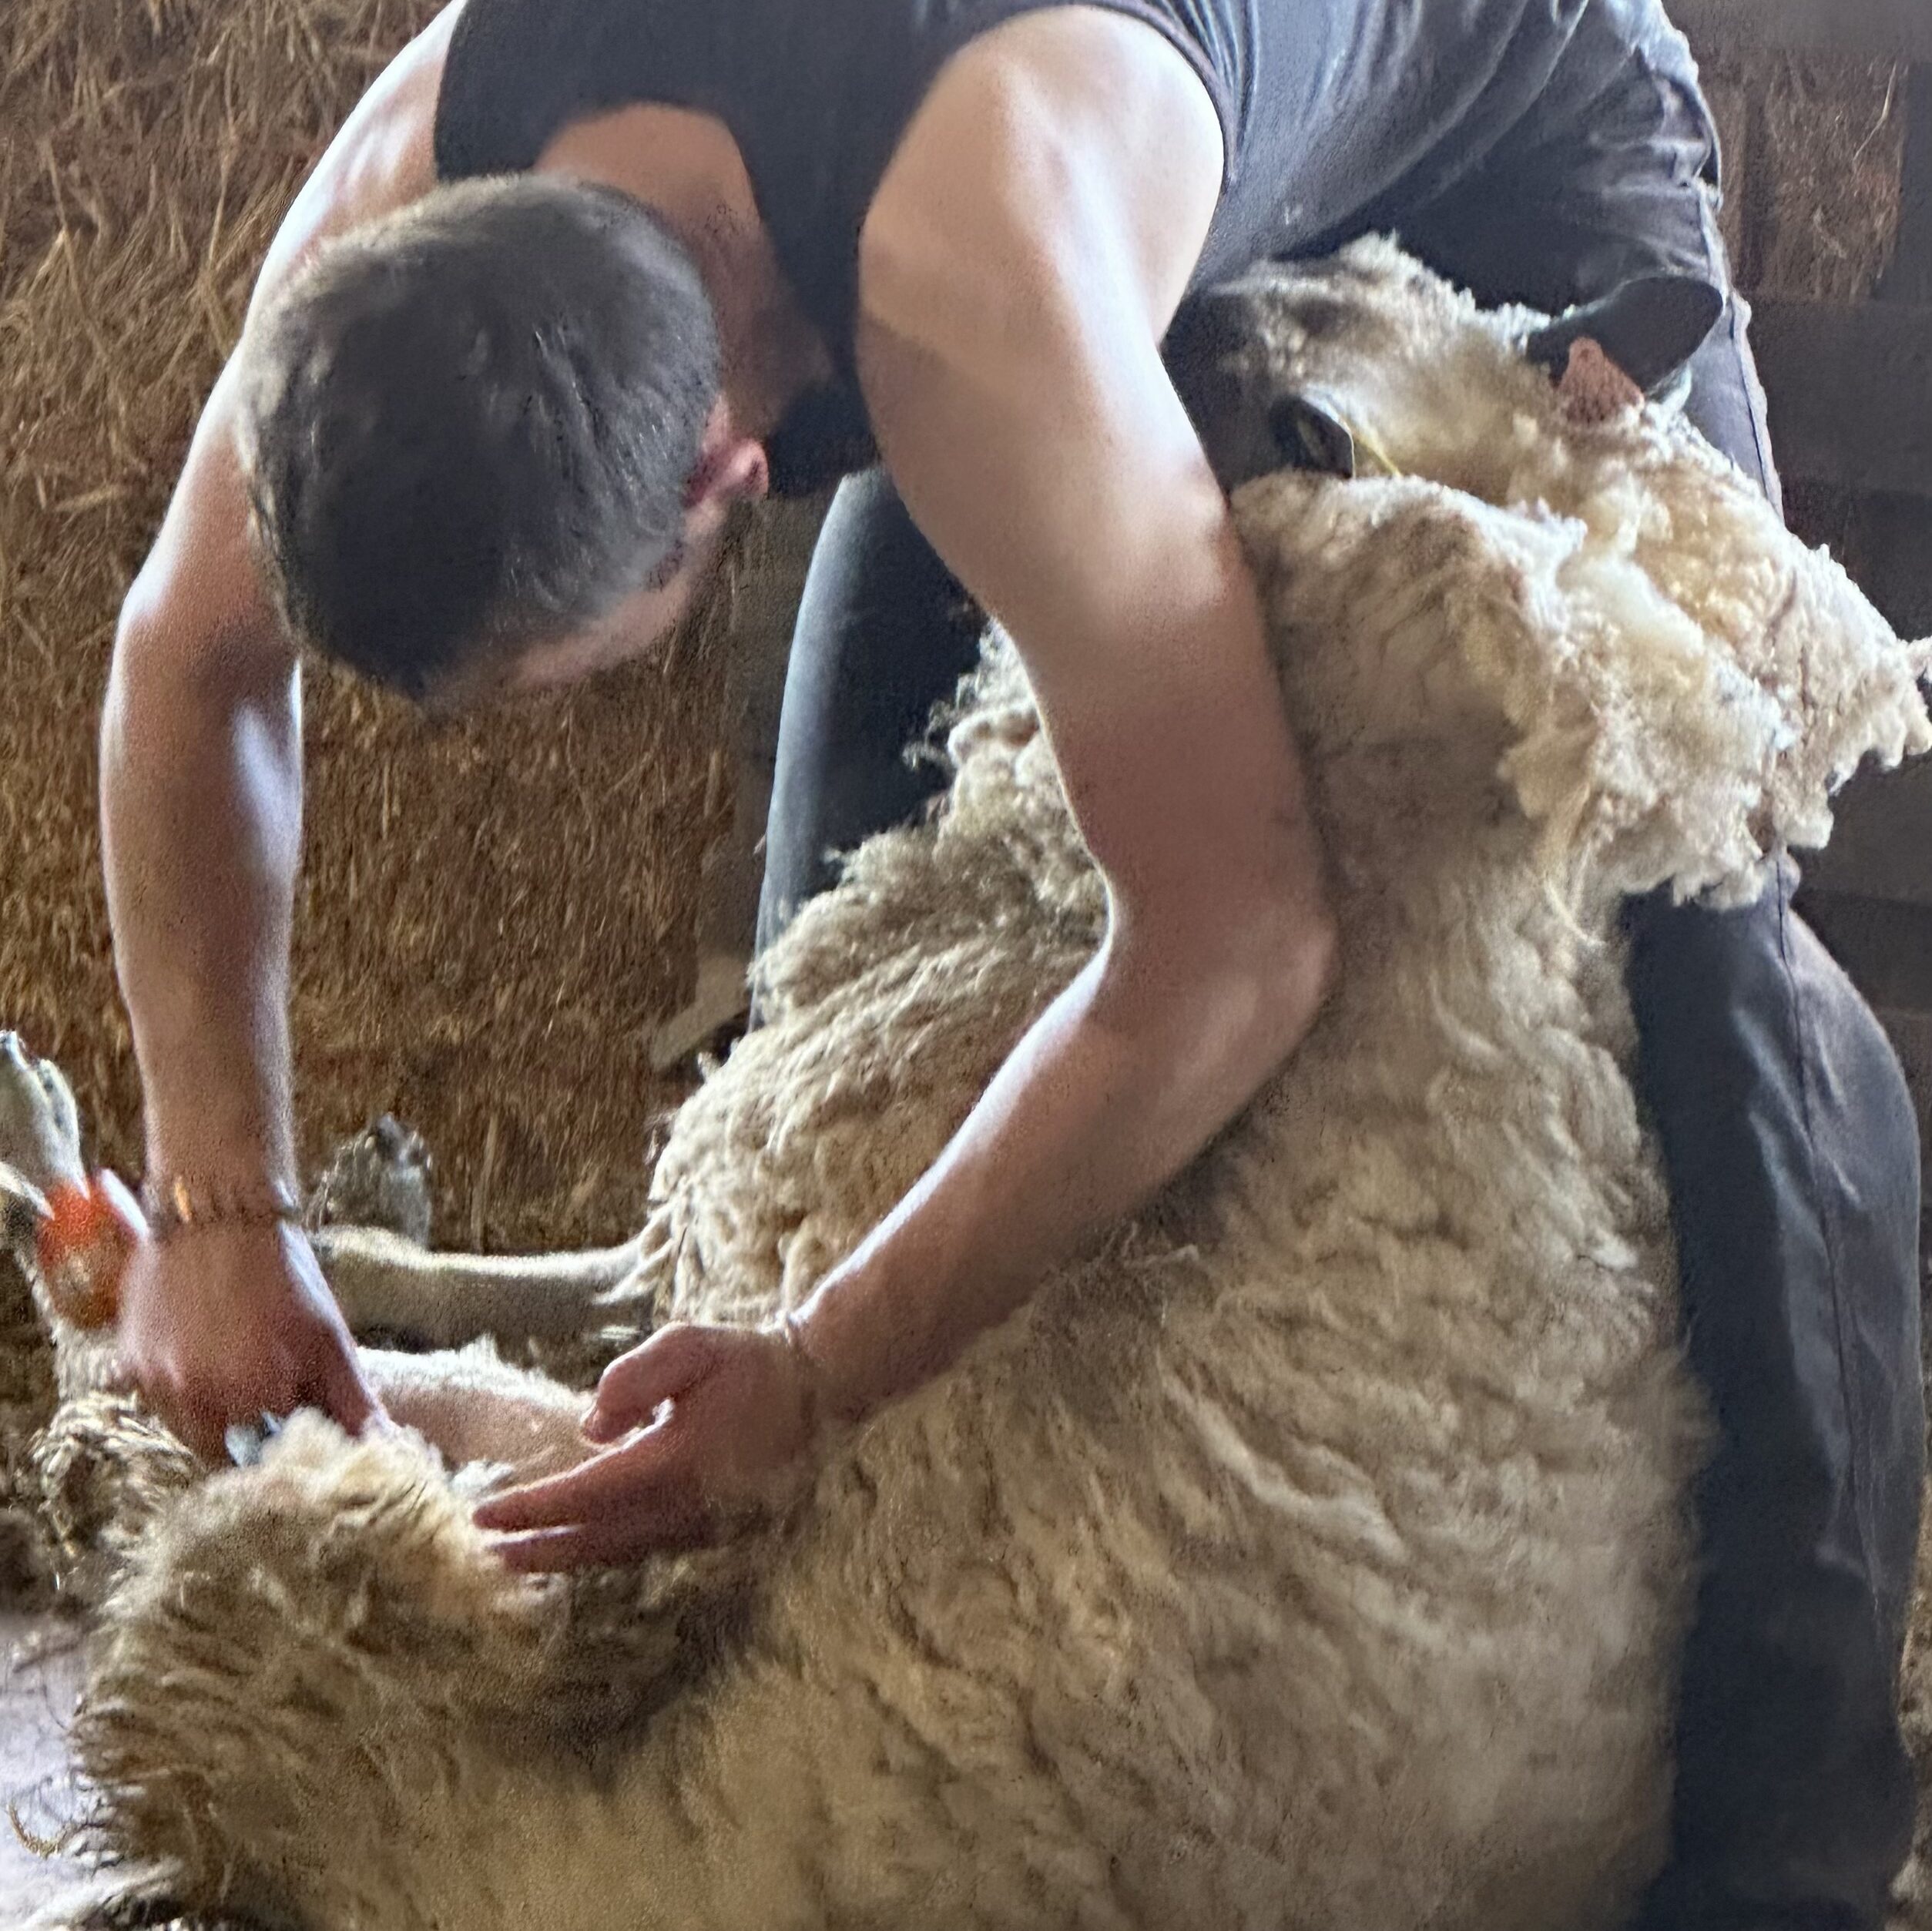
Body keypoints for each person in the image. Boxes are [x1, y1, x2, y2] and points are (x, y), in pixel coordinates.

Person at [99, 0, 1922, 1923]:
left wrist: (817, 1369)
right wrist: (224, 1199)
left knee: (1693, 859)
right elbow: (185, 663)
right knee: (854, 961)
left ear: (728, 478)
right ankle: (839, 1648)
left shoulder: (967, 308)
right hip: (1015, 152)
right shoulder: (423, 178)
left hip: (1499, 107)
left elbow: (1237, 943)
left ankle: (1792, 1843)